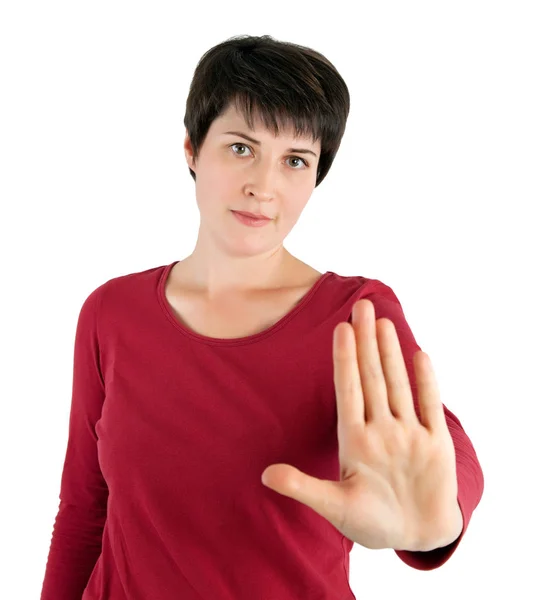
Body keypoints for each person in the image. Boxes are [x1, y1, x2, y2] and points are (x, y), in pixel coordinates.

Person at [40, 34, 484, 600]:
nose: (263, 187)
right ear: (192, 150)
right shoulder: (111, 313)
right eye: (242, 148)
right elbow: (83, 511)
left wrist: (438, 522)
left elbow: (440, 440)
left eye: (295, 160)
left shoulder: (353, 313)